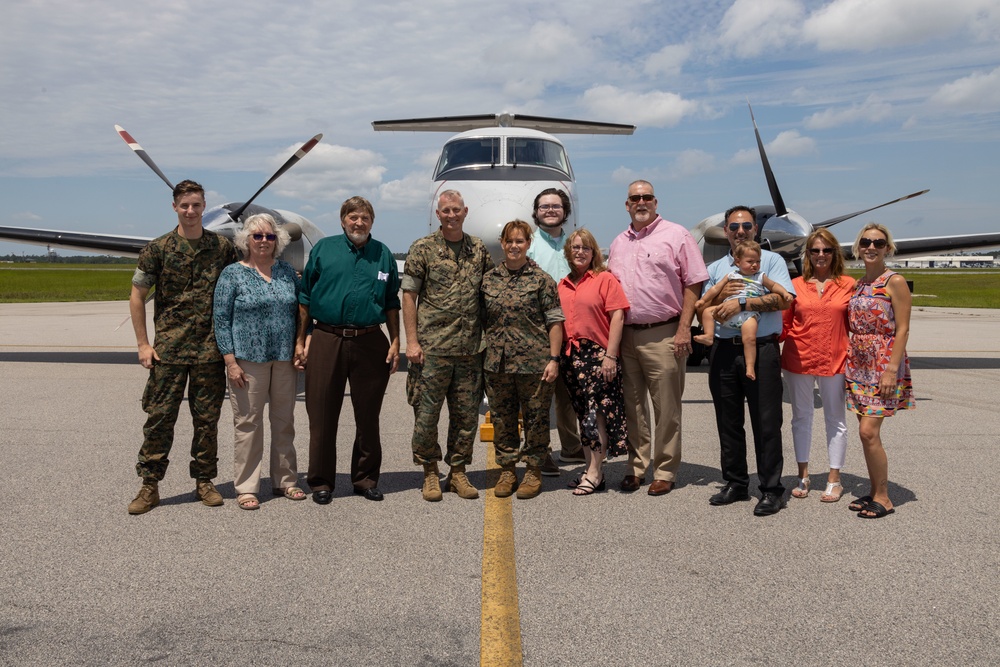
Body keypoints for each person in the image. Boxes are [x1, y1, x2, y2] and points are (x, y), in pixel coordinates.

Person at [127, 179, 238, 515]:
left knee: (207, 421)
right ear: (174, 207)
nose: (191, 211)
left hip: (209, 352)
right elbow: (136, 297)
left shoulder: (222, 248)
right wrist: (143, 344)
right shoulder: (157, 248)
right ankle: (150, 486)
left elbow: (237, 290)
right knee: (159, 419)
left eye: (197, 205)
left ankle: (204, 481)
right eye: (185, 205)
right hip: (168, 352)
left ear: (204, 207)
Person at [295, 196, 400, 504]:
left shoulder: (383, 255)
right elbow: (305, 299)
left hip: (370, 340)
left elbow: (392, 301)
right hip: (327, 338)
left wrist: (395, 341)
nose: (358, 222)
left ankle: (365, 479)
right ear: (343, 220)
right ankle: (322, 481)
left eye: (365, 218)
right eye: (353, 217)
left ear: (372, 222)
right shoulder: (324, 250)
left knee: (368, 415)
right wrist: (302, 340)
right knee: (322, 414)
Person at [607, 180, 707, 496]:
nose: (641, 202)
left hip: (664, 333)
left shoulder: (677, 236)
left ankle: (664, 470)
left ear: (655, 201)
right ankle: (636, 468)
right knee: (633, 408)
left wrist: (683, 329)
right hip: (627, 337)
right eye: (635, 198)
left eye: (646, 197)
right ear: (627, 204)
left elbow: (694, 284)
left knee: (666, 409)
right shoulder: (618, 242)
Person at [403, 190, 494, 502]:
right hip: (433, 349)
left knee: (466, 417)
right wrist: (411, 341)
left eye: (456, 210)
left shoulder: (478, 248)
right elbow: (409, 295)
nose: (452, 215)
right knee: (426, 416)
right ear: (438, 214)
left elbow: (491, 290)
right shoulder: (423, 248)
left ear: (465, 212)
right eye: (446, 210)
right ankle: (430, 471)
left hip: (470, 349)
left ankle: (457, 472)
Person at [706, 205, 795, 516]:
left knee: (767, 421)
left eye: (746, 225)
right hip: (722, 349)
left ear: (755, 229)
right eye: (733, 227)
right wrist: (718, 303)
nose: (740, 231)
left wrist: (742, 301)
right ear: (725, 231)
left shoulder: (771, 261)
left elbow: (785, 299)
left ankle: (772, 489)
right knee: (728, 421)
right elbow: (706, 304)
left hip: (762, 347)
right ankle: (735, 482)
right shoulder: (717, 268)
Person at [213, 213, 304, 511]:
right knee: (248, 423)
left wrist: (302, 343)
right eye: (257, 236)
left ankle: (286, 480)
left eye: (270, 236)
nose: (264, 241)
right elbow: (221, 319)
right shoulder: (232, 274)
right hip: (247, 360)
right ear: (246, 240)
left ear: (278, 242)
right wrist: (230, 361)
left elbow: (301, 312)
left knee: (284, 421)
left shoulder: (287, 272)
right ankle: (247, 486)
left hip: (283, 359)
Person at [481, 219, 564, 500]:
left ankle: (533, 470)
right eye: (509, 241)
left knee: (536, 419)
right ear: (502, 244)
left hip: (535, 364)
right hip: (498, 364)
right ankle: (507, 469)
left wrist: (554, 359)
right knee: (503, 419)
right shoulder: (489, 280)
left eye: (520, 241)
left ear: (528, 244)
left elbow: (554, 322)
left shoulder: (542, 280)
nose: (514, 246)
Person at [780, 229, 855, 503]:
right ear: (808, 254)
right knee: (801, 417)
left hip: (835, 359)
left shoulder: (849, 284)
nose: (821, 255)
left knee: (836, 419)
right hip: (798, 359)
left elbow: (856, 322)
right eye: (815, 250)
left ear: (835, 253)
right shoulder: (795, 284)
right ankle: (803, 474)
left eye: (826, 250)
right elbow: (784, 324)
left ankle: (834, 478)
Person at [845, 223, 914, 519]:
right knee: (865, 435)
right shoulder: (858, 283)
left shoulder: (894, 281)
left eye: (879, 242)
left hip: (883, 364)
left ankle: (884, 498)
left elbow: (903, 329)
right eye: (866, 242)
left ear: (888, 248)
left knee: (868, 431)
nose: (871, 247)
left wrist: (891, 369)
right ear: (858, 247)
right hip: (858, 364)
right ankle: (874, 490)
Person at [557, 229, 630, 495]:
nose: (580, 252)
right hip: (571, 357)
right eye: (575, 247)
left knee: (597, 416)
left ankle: (597, 472)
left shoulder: (604, 279)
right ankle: (590, 468)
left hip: (598, 356)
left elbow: (618, 317)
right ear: (568, 251)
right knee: (583, 415)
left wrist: (611, 355)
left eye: (586, 248)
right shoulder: (562, 284)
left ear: (594, 252)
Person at [526, 187, 585, 471]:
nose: (550, 210)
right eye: (544, 206)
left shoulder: (576, 244)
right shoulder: (528, 244)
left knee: (568, 396)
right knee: (538, 398)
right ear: (536, 212)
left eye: (556, 206)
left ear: (565, 211)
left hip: (573, 331)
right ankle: (541, 452)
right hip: (538, 332)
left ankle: (572, 448)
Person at [694, 240, 793, 380]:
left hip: (748, 315)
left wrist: (785, 293)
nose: (755, 265)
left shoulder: (760, 276)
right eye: (750, 261)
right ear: (737, 262)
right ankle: (709, 336)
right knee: (707, 312)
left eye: (758, 261)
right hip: (726, 316)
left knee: (750, 338)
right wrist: (703, 300)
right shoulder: (730, 275)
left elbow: (774, 286)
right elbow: (715, 289)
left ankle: (750, 366)